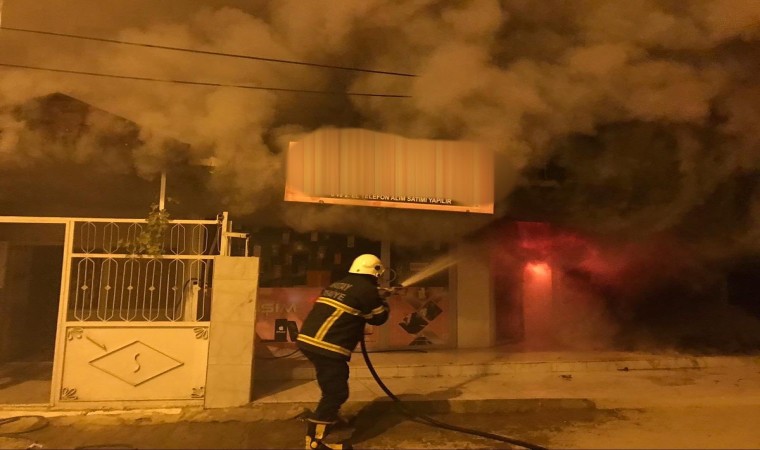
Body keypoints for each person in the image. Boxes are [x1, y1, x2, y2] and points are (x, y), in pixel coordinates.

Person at [297, 254, 391, 450]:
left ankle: (331, 419)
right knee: (336, 392)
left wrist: (376, 297)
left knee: (334, 383)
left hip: (310, 341)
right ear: (375, 272)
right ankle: (314, 441)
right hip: (326, 346)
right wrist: (384, 302)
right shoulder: (366, 290)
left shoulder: (340, 284)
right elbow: (378, 318)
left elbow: (357, 306)